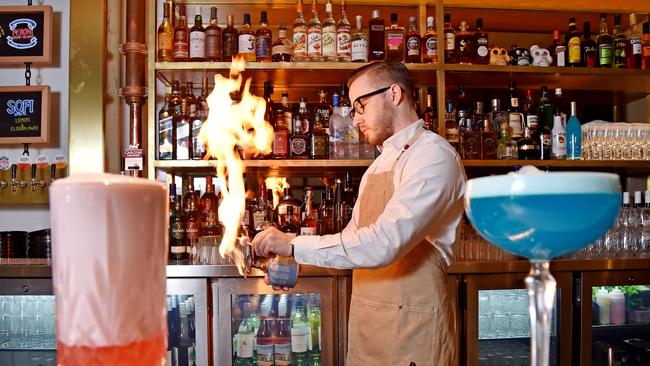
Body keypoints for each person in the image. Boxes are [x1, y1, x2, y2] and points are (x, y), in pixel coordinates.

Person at [252, 62, 466, 365]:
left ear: (394, 93)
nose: (355, 119)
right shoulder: (379, 165)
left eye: (360, 106)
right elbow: (352, 240)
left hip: (414, 329)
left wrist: (293, 244)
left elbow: (383, 243)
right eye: (353, 110)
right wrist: (296, 263)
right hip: (368, 328)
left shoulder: (433, 156)